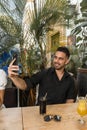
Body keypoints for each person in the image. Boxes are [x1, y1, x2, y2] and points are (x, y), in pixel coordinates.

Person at [8, 46, 76, 105]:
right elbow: (25, 85)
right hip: (42, 112)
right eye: (55, 57)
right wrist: (14, 77)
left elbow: (70, 101)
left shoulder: (70, 80)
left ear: (67, 61)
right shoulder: (44, 73)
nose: (56, 61)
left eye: (60, 59)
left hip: (59, 115)